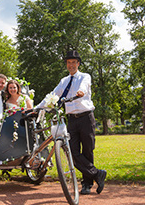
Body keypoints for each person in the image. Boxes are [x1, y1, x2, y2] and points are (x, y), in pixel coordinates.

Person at [36, 50, 107, 195]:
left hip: (86, 117)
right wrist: (37, 108)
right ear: (66, 64)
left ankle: (86, 184)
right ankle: (97, 174)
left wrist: (80, 92)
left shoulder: (84, 77)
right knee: (73, 153)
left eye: (74, 62)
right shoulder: (64, 81)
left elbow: (84, 87)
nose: (71, 65)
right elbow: (53, 95)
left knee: (87, 151)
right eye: (69, 63)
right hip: (72, 120)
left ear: (78, 64)